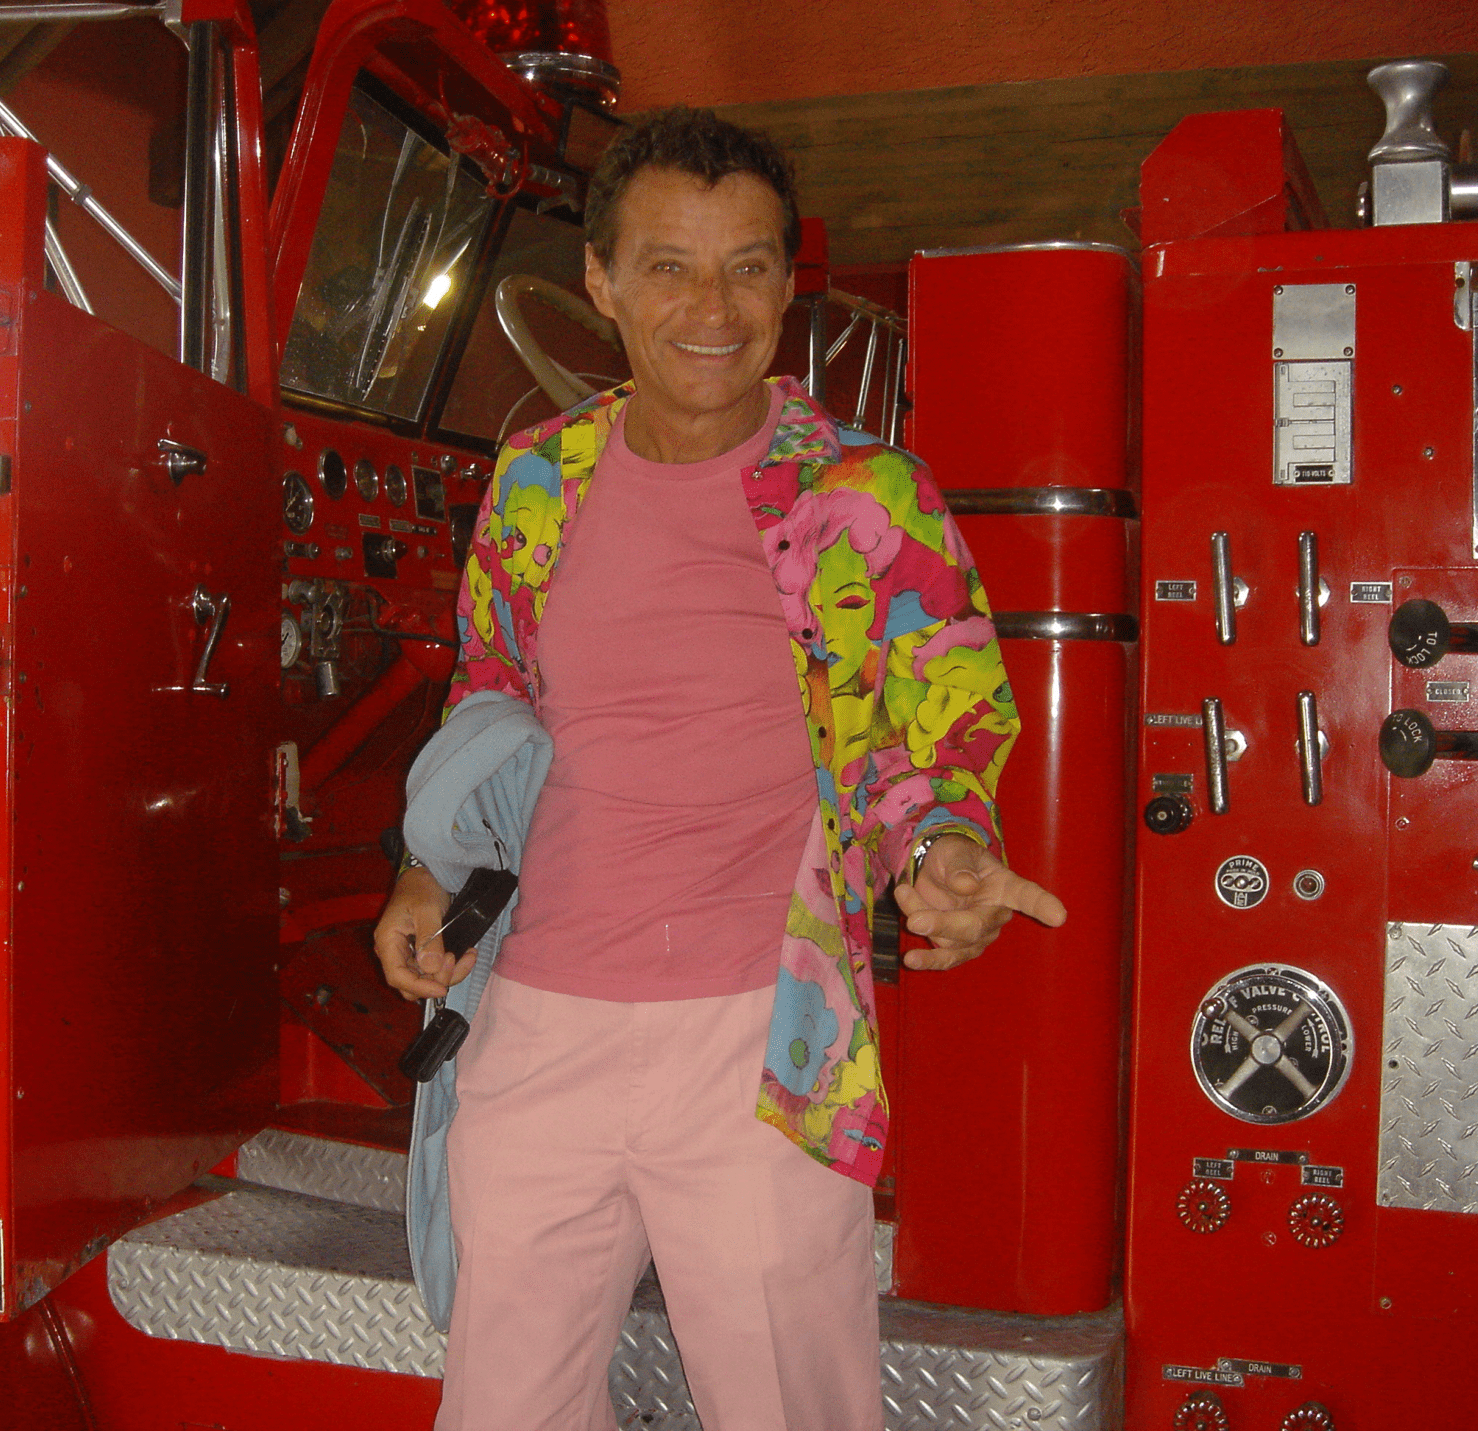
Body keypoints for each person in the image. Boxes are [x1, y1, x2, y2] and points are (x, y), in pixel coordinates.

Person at [374, 107, 1066, 1431]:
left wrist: (942, 852)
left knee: (788, 1405)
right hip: (537, 1026)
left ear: (787, 282)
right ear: (602, 281)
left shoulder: (868, 497)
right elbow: (489, 698)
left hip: (763, 1034)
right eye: (669, 267)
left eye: (747, 267)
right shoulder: (535, 479)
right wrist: (429, 865)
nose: (712, 309)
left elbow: (936, 729)